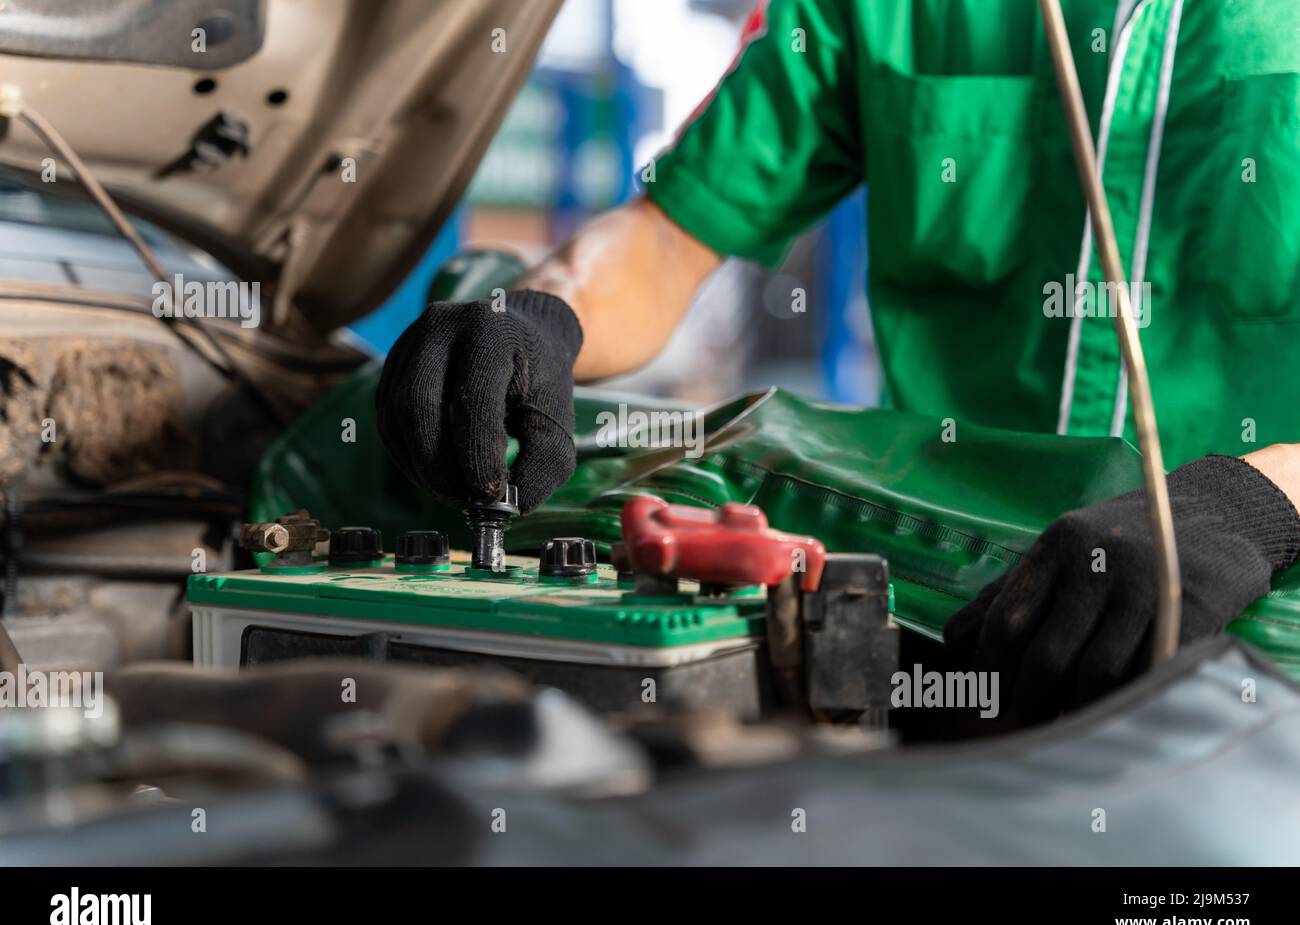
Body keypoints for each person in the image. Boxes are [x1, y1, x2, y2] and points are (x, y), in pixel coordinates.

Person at [375, 0, 1300, 720]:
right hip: (950, 622)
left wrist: (1256, 501)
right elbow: (668, 234)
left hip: (1259, 620)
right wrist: (542, 314)